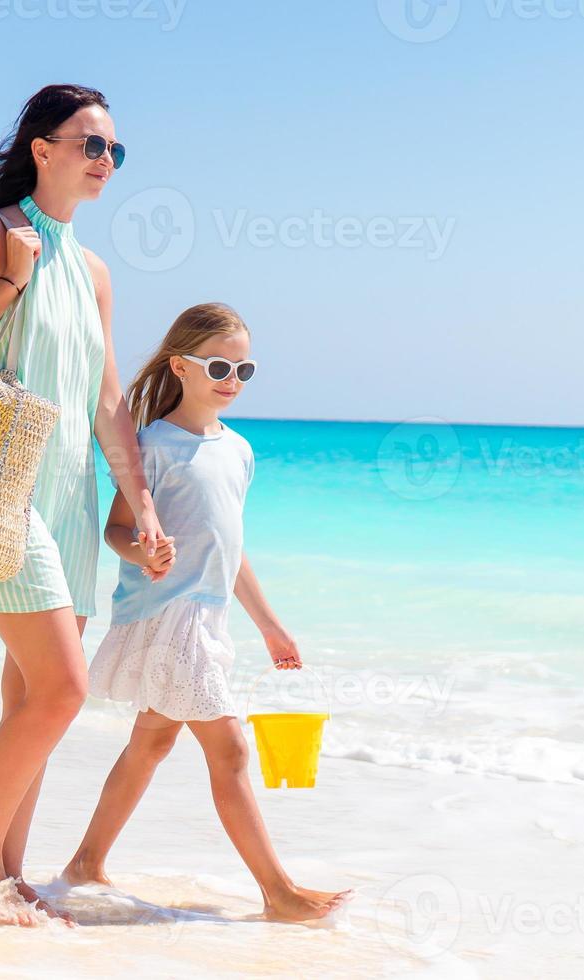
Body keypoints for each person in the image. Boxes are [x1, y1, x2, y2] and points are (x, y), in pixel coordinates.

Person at [0, 83, 167, 925]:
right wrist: (10, 286)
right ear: (42, 149)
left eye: (114, 151)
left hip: (69, 494)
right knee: (62, 689)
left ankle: (5, 877)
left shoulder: (94, 272)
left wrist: (142, 505)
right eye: (90, 145)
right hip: (2, 489)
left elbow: (105, 404)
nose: (104, 162)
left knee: (30, 695)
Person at [61, 303, 353, 922]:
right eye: (219, 365)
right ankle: (278, 892)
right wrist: (144, 550)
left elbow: (231, 548)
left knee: (152, 741)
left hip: (207, 615)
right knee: (230, 750)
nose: (232, 379)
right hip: (167, 614)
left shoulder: (240, 452)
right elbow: (115, 529)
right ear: (181, 367)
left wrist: (269, 625)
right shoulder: (151, 446)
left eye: (244, 369)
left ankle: (86, 864)